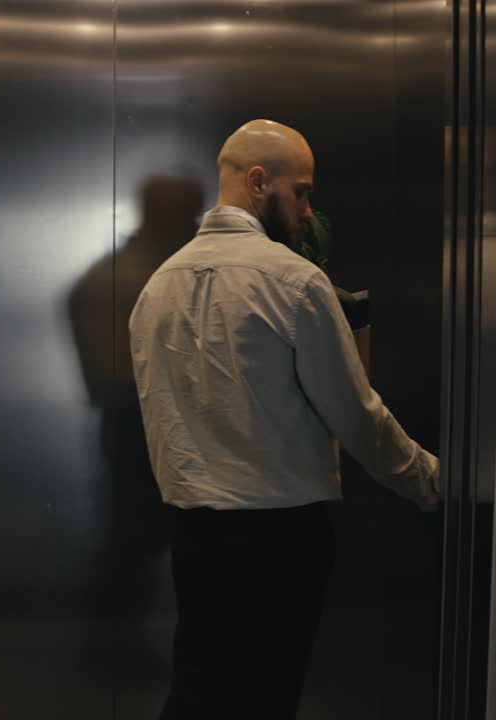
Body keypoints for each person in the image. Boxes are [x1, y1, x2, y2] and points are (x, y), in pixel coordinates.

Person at [127, 119, 441, 719]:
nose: (306, 211)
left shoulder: (156, 289)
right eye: (301, 191)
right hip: (279, 536)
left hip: (193, 533)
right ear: (257, 181)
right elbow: (357, 416)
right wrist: (433, 483)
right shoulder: (295, 284)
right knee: (265, 696)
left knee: (198, 691)